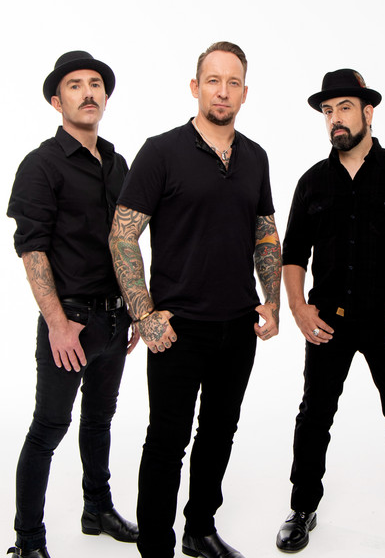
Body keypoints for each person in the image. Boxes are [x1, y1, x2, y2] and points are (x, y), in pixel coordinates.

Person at [108, 41, 281, 558]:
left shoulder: (255, 156)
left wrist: (271, 301)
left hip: (238, 326)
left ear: (245, 93)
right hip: (177, 328)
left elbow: (265, 232)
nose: (222, 91)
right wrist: (144, 313)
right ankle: (155, 547)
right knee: (167, 442)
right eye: (213, 80)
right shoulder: (161, 151)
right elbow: (123, 234)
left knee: (219, 434)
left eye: (233, 82)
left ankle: (199, 530)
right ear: (195, 87)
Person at [276, 69, 385, 557]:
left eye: (345, 108)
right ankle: (302, 508)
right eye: (328, 111)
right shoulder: (312, 181)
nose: (335, 118)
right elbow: (293, 254)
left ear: (368, 112)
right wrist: (298, 308)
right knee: (314, 416)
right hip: (327, 321)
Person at [6, 51, 139, 558]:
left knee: (100, 422)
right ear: (57, 101)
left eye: (96, 84)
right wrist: (57, 324)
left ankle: (96, 510)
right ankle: (28, 540)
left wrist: (134, 308)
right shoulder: (41, 164)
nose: (88, 92)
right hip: (72, 322)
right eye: (75, 85)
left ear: (105, 96)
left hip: (115, 319)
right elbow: (32, 249)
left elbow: (126, 243)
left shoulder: (117, 163)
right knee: (48, 428)